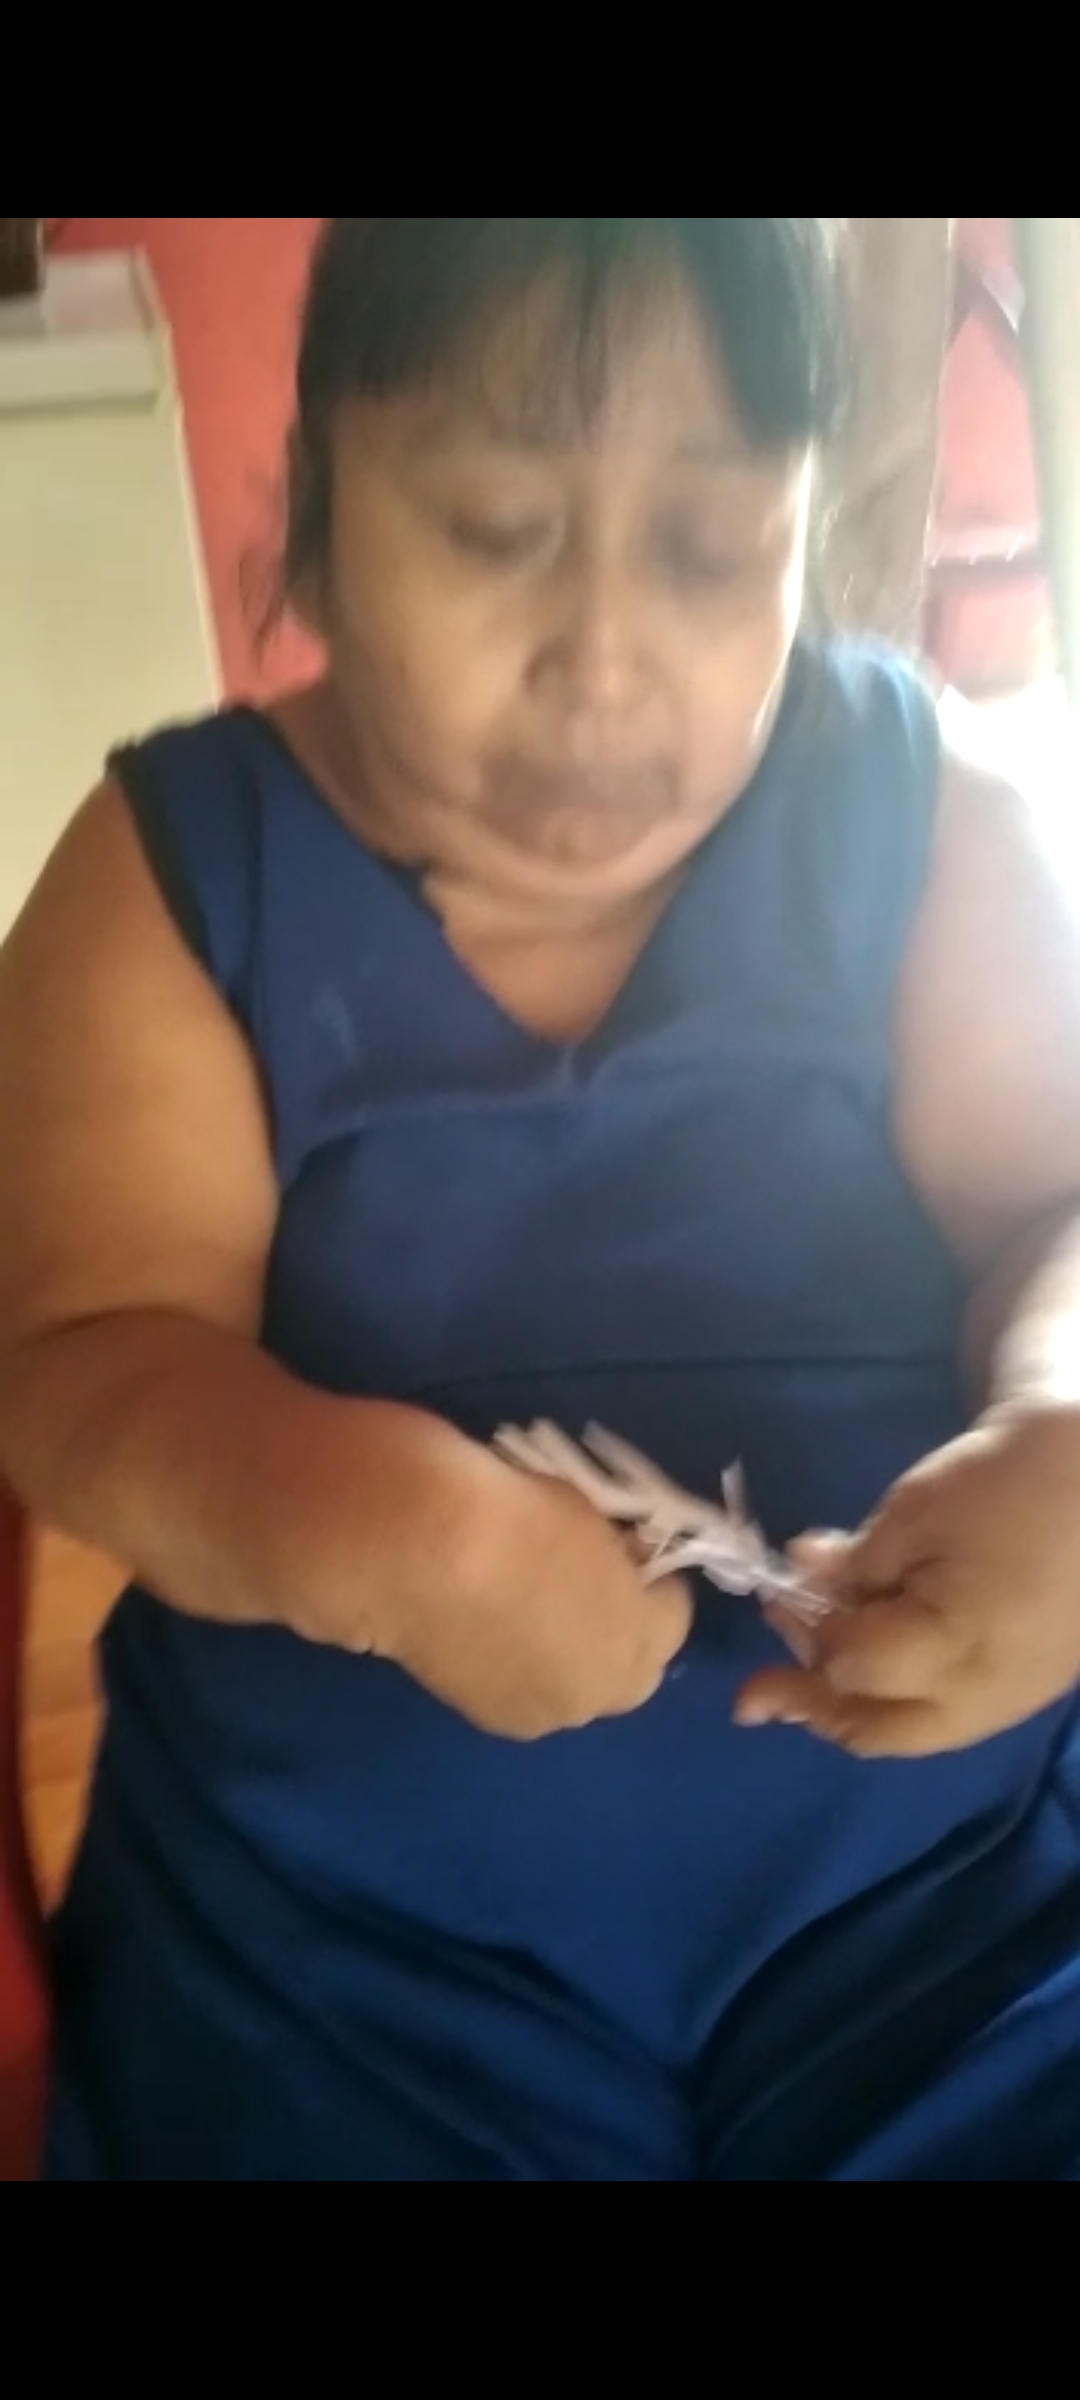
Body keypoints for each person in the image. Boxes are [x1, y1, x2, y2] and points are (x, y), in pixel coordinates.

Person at [2, 218, 1080, 2183]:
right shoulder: (168, 880)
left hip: (958, 1919)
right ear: (315, 522)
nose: (604, 661)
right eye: (496, 531)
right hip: (334, 1958)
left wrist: (1064, 1419)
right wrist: (378, 1534)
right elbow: (81, 1371)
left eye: (711, 552)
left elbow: (1055, 1215)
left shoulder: (933, 827)